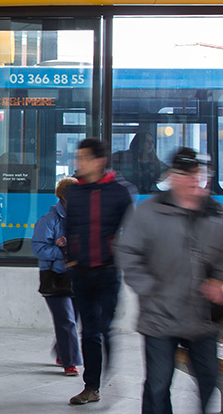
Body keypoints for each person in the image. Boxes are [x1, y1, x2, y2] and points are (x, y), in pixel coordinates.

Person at [115, 147, 223, 414]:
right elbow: (127, 251)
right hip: (160, 316)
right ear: (172, 177)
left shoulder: (214, 213)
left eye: (197, 174)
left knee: (209, 378)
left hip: (203, 318)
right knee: (158, 384)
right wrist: (148, 289)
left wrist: (219, 280)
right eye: (185, 175)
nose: (193, 181)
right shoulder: (150, 212)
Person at [64, 137, 136, 405]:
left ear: (99, 161)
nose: (78, 162)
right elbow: (70, 227)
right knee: (90, 330)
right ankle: (91, 386)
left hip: (108, 272)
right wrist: (71, 258)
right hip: (81, 272)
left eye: (83, 157)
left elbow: (132, 231)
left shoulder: (120, 191)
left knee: (104, 328)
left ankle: (108, 371)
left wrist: (121, 256)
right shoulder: (75, 191)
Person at [31, 177, 83, 377]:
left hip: (77, 276)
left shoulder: (81, 218)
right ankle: (70, 362)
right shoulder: (48, 220)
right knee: (67, 320)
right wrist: (60, 249)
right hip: (55, 277)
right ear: (64, 197)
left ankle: (62, 351)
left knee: (72, 320)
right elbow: (38, 249)